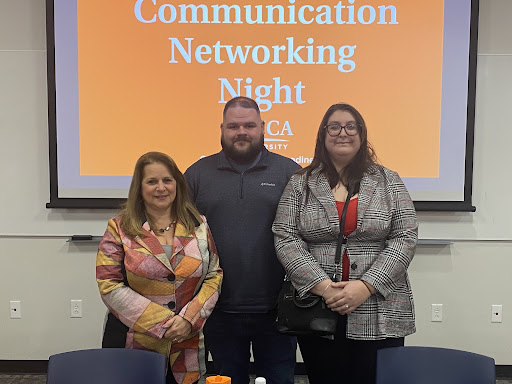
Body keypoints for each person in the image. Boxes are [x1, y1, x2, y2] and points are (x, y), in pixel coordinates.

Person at [272, 103, 418, 384]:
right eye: (334, 126)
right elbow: (285, 237)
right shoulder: (300, 183)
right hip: (318, 305)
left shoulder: (388, 181)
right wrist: (325, 288)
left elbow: (405, 236)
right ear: (323, 134)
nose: (343, 133)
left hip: (379, 305)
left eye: (351, 126)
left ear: (362, 134)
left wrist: (366, 286)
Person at [184, 97, 301, 384]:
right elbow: (181, 238)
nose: (241, 132)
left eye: (249, 125)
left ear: (263, 127)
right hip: (218, 309)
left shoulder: (290, 172)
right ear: (221, 129)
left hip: (277, 309)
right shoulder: (197, 174)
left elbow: (304, 235)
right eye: (233, 126)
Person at [96, 152, 223, 384]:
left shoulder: (198, 224)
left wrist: (187, 319)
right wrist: (163, 323)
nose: (161, 188)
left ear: (177, 184)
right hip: (134, 342)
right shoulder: (119, 228)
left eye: (167, 180)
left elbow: (214, 275)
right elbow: (108, 284)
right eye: (152, 181)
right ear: (139, 187)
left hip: (187, 343)